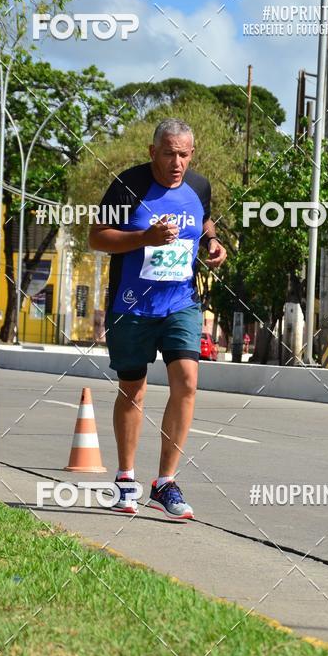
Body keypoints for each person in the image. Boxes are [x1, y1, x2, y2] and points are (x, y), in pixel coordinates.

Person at [89, 118, 227, 520]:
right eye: (169, 153)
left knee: (187, 380)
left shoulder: (199, 185)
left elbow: (204, 220)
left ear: (192, 154)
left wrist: (212, 243)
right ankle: (126, 479)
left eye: (184, 154)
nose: (176, 162)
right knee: (132, 389)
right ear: (153, 152)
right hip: (131, 305)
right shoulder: (126, 186)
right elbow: (96, 237)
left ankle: (165, 482)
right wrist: (143, 239)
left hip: (180, 301)